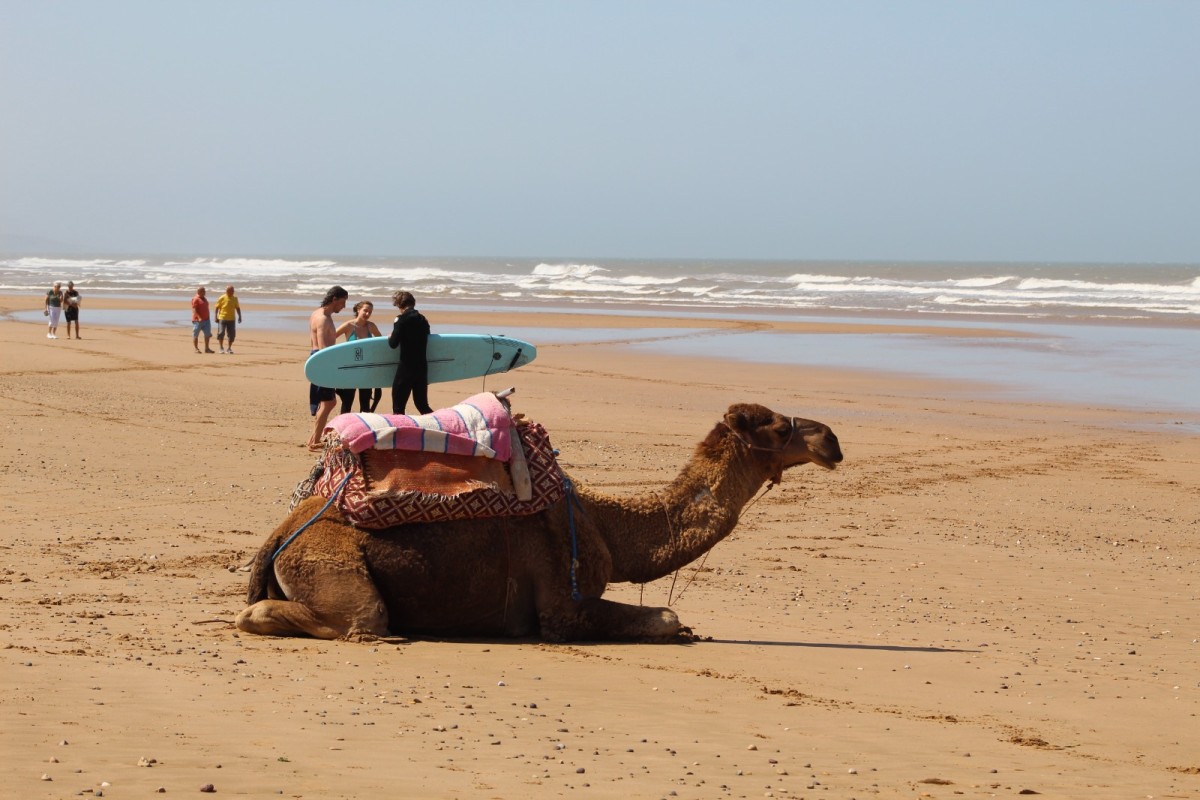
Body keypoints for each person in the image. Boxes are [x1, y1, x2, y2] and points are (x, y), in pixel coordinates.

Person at [308, 285, 349, 450]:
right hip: (323, 360)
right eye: (343, 302)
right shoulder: (323, 319)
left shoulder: (317, 313)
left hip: (318, 359)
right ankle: (314, 441)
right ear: (334, 299)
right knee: (328, 402)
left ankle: (314, 438)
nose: (344, 306)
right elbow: (323, 348)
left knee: (327, 402)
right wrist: (333, 366)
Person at [387, 290, 433, 415]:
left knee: (398, 409)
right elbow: (427, 335)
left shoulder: (401, 319)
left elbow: (393, 344)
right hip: (421, 368)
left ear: (399, 304)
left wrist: (392, 334)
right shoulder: (423, 319)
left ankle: (401, 429)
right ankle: (442, 424)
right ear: (413, 303)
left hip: (406, 369)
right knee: (422, 406)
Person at [334, 300, 383, 414]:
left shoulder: (371, 326)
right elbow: (331, 338)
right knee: (347, 401)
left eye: (370, 312)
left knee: (365, 403)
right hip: (350, 369)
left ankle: (363, 424)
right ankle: (344, 424)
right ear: (358, 310)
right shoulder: (348, 326)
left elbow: (381, 343)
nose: (367, 314)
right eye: (365, 310)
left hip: (366, 369)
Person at [214, 285, 243, 354]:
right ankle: (221, 348)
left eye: (233, 291)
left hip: (232, 319)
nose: (233, 292)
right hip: (222, 318)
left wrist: (240, 316)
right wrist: (215, 317)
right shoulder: (222, 297)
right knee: (221, 333)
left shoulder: (235, 298)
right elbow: (217, 308)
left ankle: (229, 348)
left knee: (232, 335)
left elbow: (237, 308)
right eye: (231, 291)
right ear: (227, 291)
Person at [191, 286, 214, 353]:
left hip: (206, 320)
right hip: (198, 321)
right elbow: (194, 310)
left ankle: (207, 348)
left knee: (207, 335)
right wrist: (199, 317)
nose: (204, 292)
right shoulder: (196, 299)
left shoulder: (204, 299)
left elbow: (206, 309)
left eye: (204, 291)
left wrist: (208, 317)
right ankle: (196, 349)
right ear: (198, 292)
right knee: (196, 334)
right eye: (202, 291)